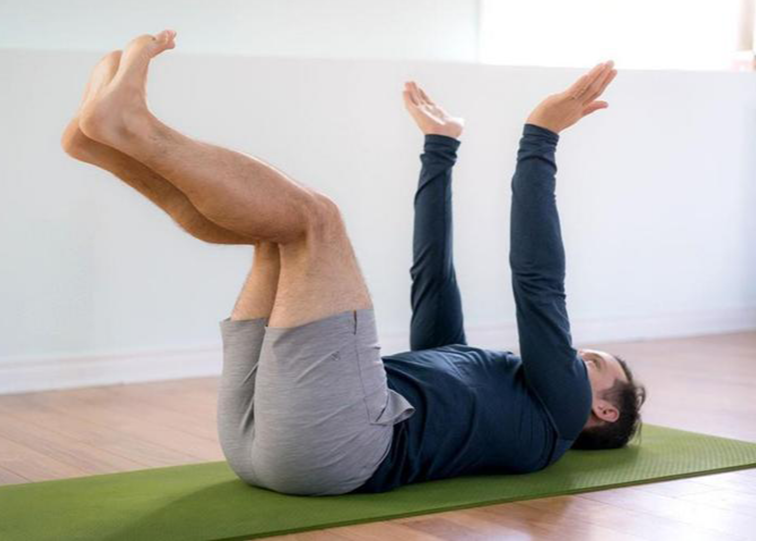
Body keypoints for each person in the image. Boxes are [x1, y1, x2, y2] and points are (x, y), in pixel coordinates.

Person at [62, 30, 646, 497]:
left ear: (601, 407)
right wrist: (441, 147)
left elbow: (538, 285)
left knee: (316, 219)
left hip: (340, 448)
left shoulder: (559, 416)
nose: (576, 354)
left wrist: (540, 138)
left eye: (592, 362)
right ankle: (106, 144)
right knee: (275, 234)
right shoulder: (480, 376)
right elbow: (432, 276)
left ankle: (136, 129)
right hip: (267, 438)